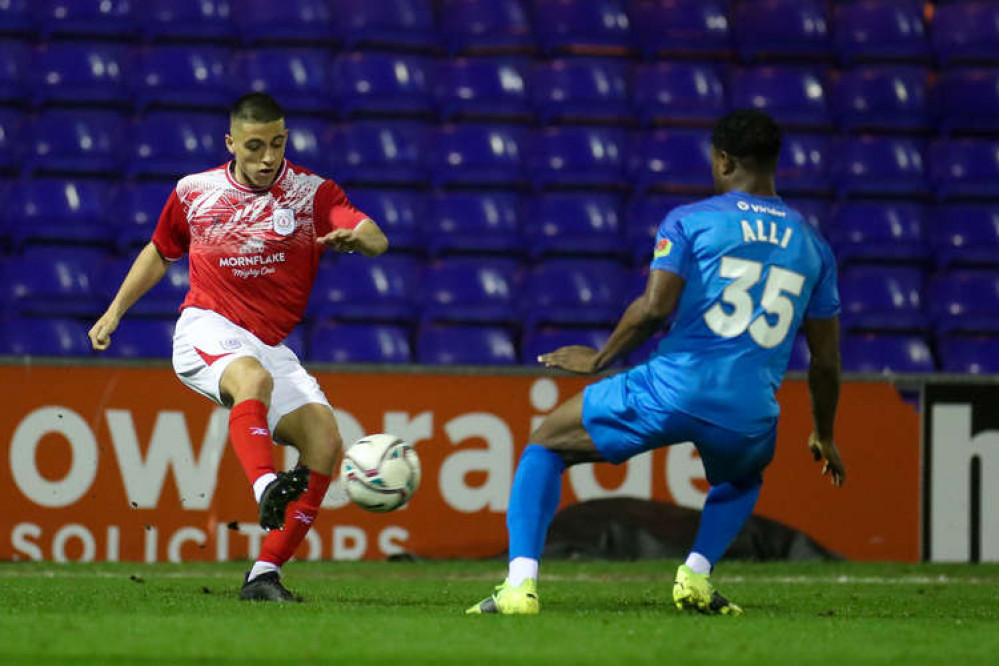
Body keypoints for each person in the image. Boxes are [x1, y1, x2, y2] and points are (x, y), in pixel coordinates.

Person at [467, 109, 845, 616]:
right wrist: (824, 432)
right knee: (741, 478)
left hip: (673, 388)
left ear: (724, 159)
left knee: (546, 443)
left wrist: (601, 357)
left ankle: (519, 588)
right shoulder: (814, 246)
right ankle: (695, 577)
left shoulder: (691, 221)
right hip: (749, 411)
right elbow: (825, 360)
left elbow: (654, 308)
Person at [89, 93, 389, 602]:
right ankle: (263, 486)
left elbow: (374, 235)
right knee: (253, 379)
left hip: (269, 344)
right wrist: (114, 311)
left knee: (324, 442)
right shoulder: (194, 192)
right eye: (254, 147)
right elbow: (161, 253)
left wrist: (358, 239)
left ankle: (263, 575)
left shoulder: (313, 194)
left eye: (277, 144)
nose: (268, 157)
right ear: (231, 143)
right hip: (207, 328)